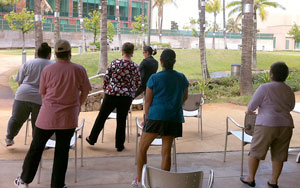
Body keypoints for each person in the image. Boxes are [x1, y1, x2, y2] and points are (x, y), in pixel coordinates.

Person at [14, 39, 91, 188]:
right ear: (69, 53)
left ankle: (24, 180)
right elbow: (86, 90)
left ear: (55, 53)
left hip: (47, 117)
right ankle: (57, 185)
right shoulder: (79, 69)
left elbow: (43, 94)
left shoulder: (48, 71)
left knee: (36, 148)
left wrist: (49, 106)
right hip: (68, 118)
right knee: (62, 152)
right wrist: (78, 105)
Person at [132, 49, 189, 187]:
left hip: (155, 117)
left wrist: (146, 118)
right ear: (174, 62)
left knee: (142, 148)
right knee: (166, 151)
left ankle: (140, 180)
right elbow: (184, 97)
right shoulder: (182, 78)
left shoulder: (154, 78)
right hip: (174, 117)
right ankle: (164, 183)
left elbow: (148, 102)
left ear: (161, 61)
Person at [240, 62, 295, 188]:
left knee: (255, 152)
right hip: (286, 125)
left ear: (271, 75)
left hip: (266, 124)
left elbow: (251, 107)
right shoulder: (289, 90)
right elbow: (291, 107)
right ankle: (274, 181)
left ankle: (250, 178)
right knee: (279, 155)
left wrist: (249, 112)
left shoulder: (264, 88)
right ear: (286, 76)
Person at [86, 42, 141, 152]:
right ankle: (119, 145)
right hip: (126, 96)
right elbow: (138, 82)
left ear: (122, 51)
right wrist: (131, 90)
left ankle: (92, 138)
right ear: (132, 53)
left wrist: (106, 88)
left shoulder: (115, 63)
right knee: (121, 120)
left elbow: (107, 77)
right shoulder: (134, 66)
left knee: (102, 116)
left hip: (112, 94)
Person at [5, 42, 53, 147]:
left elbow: (19, 81)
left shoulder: (28, 63)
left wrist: (22, 93)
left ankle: (9, 138)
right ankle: (37, 143)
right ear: (49, 54)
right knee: (38, 123)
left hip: (23, 94)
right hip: (41, 98)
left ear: (37, 53)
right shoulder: (52, 65)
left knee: (16, 118)